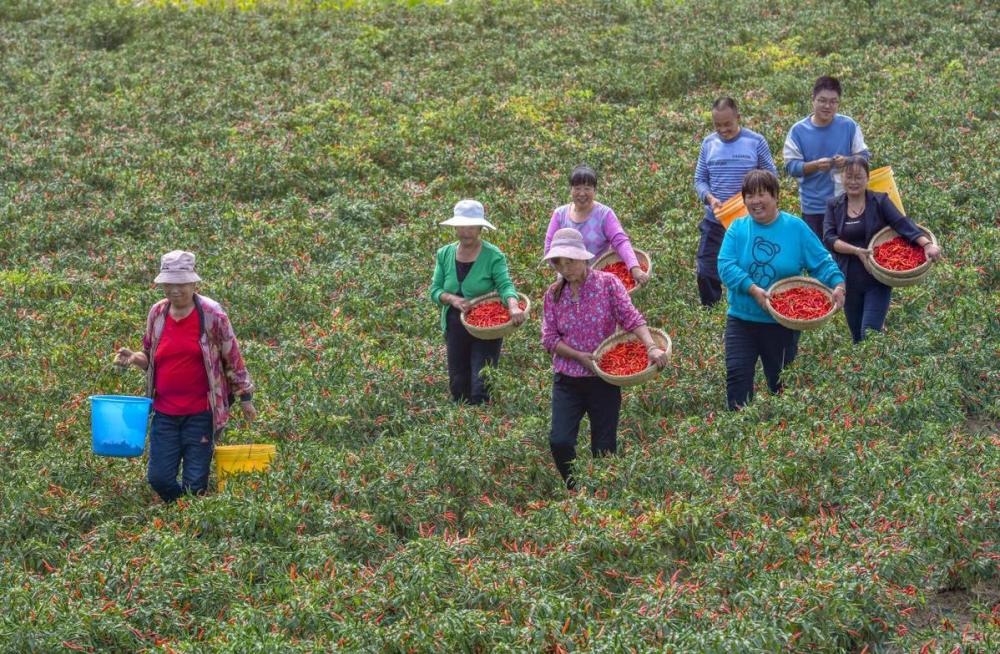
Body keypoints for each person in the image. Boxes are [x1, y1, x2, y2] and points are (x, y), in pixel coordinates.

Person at [115, 250, 256, 503]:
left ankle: (190, 525)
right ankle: (183, 513)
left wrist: (245, 396)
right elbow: (150, 356)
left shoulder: (213, 315)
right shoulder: (157, 314)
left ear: (194, 283)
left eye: (181, 284)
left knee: (195, 482)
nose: (174, 290)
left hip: (201, 413)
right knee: (159, 478)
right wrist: (134, 358)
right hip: (165, 413)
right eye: (168, 284)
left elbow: (231, 356)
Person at [541, 228, 669, 489]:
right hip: (567, 378)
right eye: (560, 263)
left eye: (571, 261)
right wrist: (579, 356)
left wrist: (651, 347)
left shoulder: (608, 284)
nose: (566, 269)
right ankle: (574, 488)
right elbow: (549, 339)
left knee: (604, 446)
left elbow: (631, 318)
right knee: (560, 440)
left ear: (584, 258)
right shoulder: (553, 294)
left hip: (604, 378)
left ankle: (602, 496)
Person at [717, 171, 846, 410]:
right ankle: (739, 434)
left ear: (776, 196)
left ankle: (779, 432)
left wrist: (838, 284)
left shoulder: (795, 228)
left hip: (782, 323)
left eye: (762, 194)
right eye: (750, 196)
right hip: (742, 319)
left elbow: (821, 261)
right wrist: (753, 289)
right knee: (737, 377)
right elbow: (725, 265)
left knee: (780, 383)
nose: (756, 201)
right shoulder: (738, 228)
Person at [822, 156, 943, 342]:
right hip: (849, 279)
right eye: (849, 177)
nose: (853, 182)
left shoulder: (879, 201)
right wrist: (856, 251)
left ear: (867, 178)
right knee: (857, 338)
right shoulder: (834, 205)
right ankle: (865, 371)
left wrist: (926, 244)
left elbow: (901, 223)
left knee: (870, 333)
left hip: (877, 279)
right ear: (841, 178)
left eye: (858, 177)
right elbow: (829, 238)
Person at [430, 199, 526, 405]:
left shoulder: (493, 255)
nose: (466, 232)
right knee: (458, 381)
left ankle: (483, 424)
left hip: (486, 325)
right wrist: (453, 299)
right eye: (462, 226)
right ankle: (462, 426)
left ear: (481, 227)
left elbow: (505, 285)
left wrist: (513, 305)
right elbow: (435, 290)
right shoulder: (444, 254)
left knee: (481, 381)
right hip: (455, 323)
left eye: (471, 226)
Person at [693, 96, 778, 306]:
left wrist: (754, 198)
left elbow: (771, 175)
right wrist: (710, 198)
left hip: (749, 219)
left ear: (738, 118)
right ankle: (710, 311)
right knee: (706, 268)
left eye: (728, 124)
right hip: (716, 218)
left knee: (752, 265)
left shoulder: (755, 141)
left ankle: (754, 305)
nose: (723, 129)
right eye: (718, 125)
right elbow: (700, 179)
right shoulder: (708, 143)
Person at [783, 76, 870, 239]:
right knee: (817, 255)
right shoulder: (798, 131)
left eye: (833, 101)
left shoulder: (849, 125)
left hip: (847, 203)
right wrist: (815, 165)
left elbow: (864, 156)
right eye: (822, 100)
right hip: (813, 207)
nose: (827, 106)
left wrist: (848, 161)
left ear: (838, 103)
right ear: (813, 100)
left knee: (847, 252)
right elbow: (791, 167)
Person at [544, 164, 648, 287]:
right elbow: (549, 251)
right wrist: (568, 271)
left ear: (595, 190)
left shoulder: (604, 214)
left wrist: (634, 268)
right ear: (570, 189)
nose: (582, 193)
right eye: (577, 188)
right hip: (567, 282)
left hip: (599, 283)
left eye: (587, 188)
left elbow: (620, 241)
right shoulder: (560, 215)